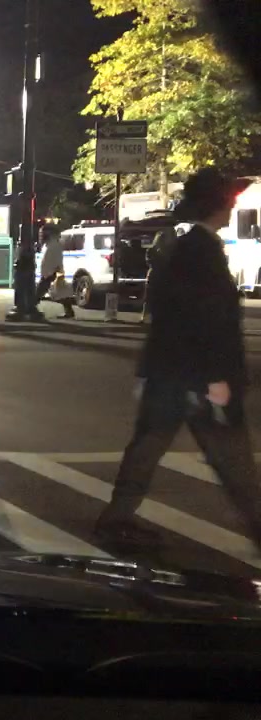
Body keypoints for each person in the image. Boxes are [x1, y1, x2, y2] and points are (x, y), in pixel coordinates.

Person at [95, 168, 261, 549]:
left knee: (148, 448)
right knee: (232, 460)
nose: (231, 208)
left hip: (171, 375)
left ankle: (116, 520)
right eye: (228, 201)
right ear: (217, 205)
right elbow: (201, 318)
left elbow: (172, 314)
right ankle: (257, 525)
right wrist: (216, 377)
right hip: (196, 379)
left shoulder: (190, 247)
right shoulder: (199, 251)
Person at [35, 225, 75, 319]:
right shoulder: (48, 244)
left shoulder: (54, 245)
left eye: (42, 234)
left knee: (40, 292)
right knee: (61, 293)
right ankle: (69, 311)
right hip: (49, 272)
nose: (40, 236)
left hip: (51, 273)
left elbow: (56, 259)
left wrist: (53, 271)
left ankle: (32, 308)